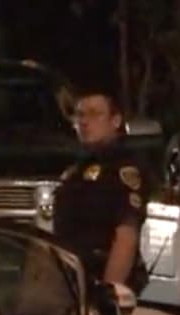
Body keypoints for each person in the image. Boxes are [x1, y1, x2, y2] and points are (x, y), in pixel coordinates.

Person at [51, 88, 152, 296]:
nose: (85, 122)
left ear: (115, 121)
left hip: (99, 282)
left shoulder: (122, 170)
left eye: (95, 114)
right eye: (80, 115)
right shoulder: (75, 172)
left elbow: (125, 238)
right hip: (69, 283)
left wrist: (107, 294)